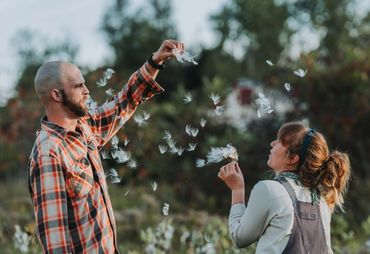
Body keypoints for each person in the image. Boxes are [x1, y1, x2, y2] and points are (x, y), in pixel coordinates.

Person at [28, 39, 184, 253]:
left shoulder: (84, 127)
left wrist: (154, 62)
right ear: (56, 94)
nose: (87, 91)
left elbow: (124, 102)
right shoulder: (48, 153)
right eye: (79, 86)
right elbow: (56, 240)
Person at [218, 121, 351, 253]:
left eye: (280, 141)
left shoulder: (269, 190)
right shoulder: (321, 199)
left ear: (293, 158)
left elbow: (240, 238)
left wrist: (237, 190)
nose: (272, 143)